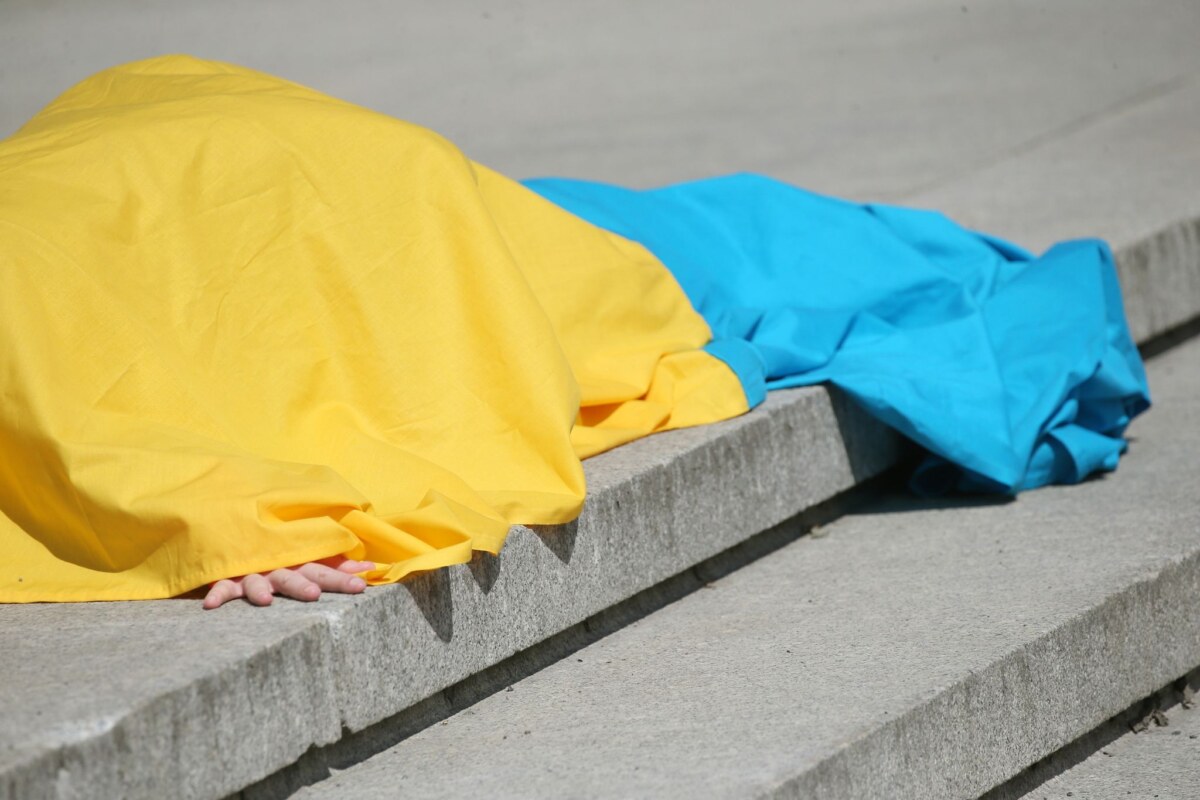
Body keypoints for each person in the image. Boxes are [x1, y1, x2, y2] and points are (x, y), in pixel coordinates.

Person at [0, 56, 1149, 609]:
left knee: (714, 260)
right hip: (283, 207)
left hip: (314, 202)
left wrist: (218, 512)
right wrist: (218, 512)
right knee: (708, 252)